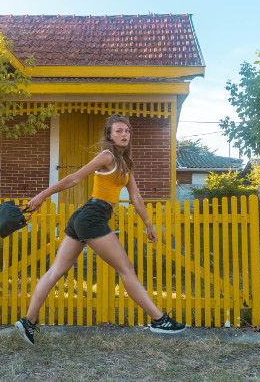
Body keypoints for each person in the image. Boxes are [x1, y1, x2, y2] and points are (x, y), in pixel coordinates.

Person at [15, 114, 186, 345]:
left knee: (55, 271)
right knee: (126, 269)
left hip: (85, 217)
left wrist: (147, 223)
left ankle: (28, 321)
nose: (124, 134)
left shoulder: (125, 163)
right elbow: (75, 178)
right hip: (92, 217)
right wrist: (42, 195)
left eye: (126, 131)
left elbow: (135, 196)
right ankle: (159, 319)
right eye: (119, 131)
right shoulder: (107, 156)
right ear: (110, 135)